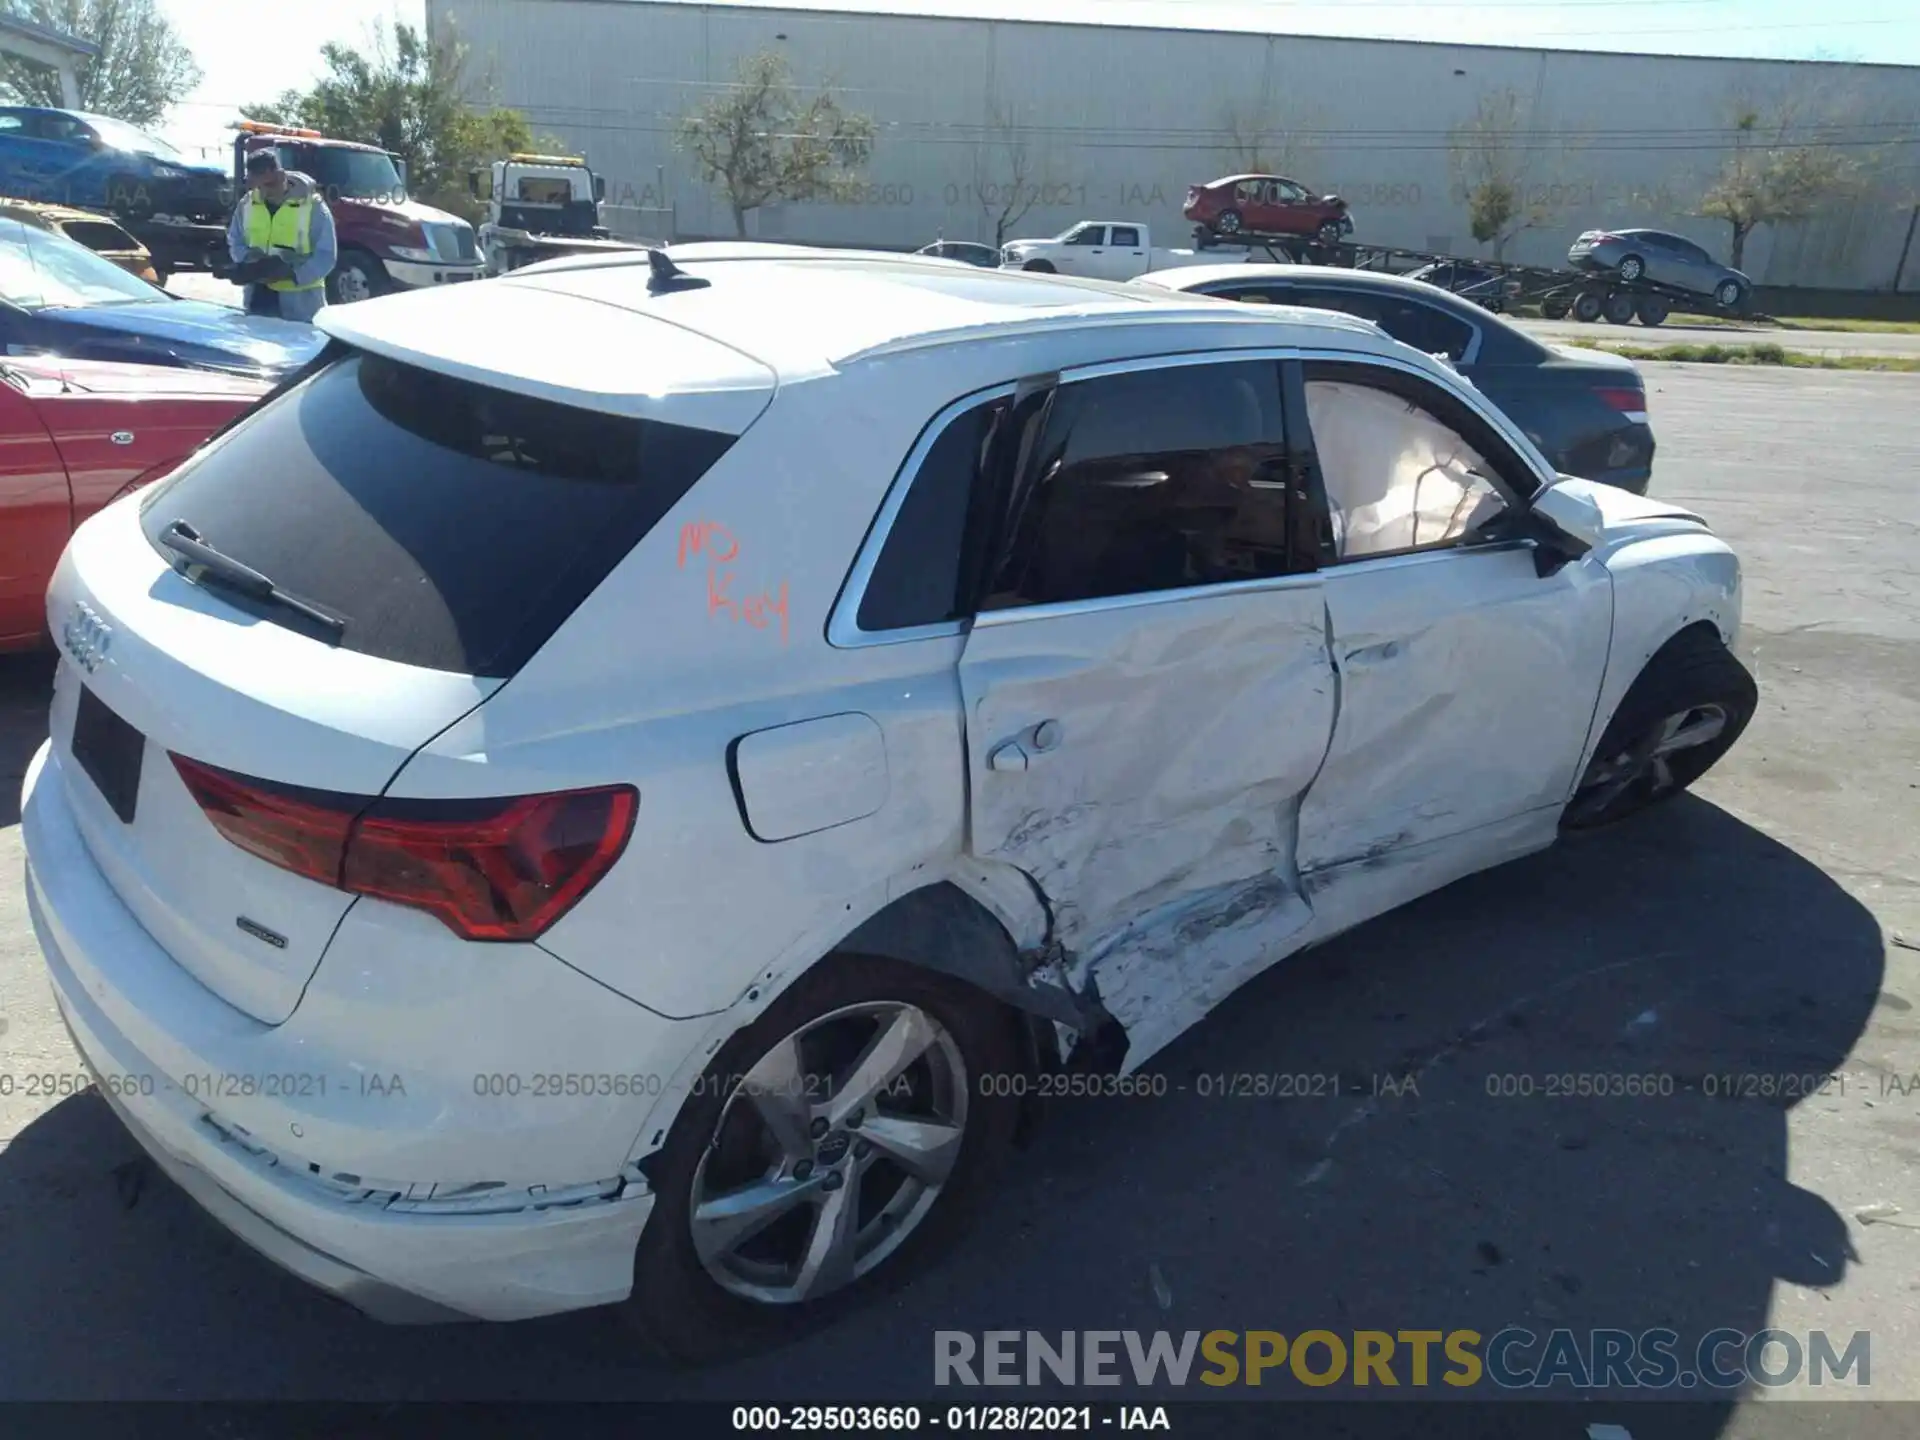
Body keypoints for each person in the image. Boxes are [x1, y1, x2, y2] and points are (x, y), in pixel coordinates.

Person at [226, 147, 337, 322]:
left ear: (281, 175)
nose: (265, 191)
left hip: (301, 303)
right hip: (258, 297)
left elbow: (326, 256)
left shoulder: (313, 206)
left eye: (270, 184)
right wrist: (246, 261)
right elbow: (235, 239)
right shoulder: (247, 204)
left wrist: (292, 273)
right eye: (259, 185)